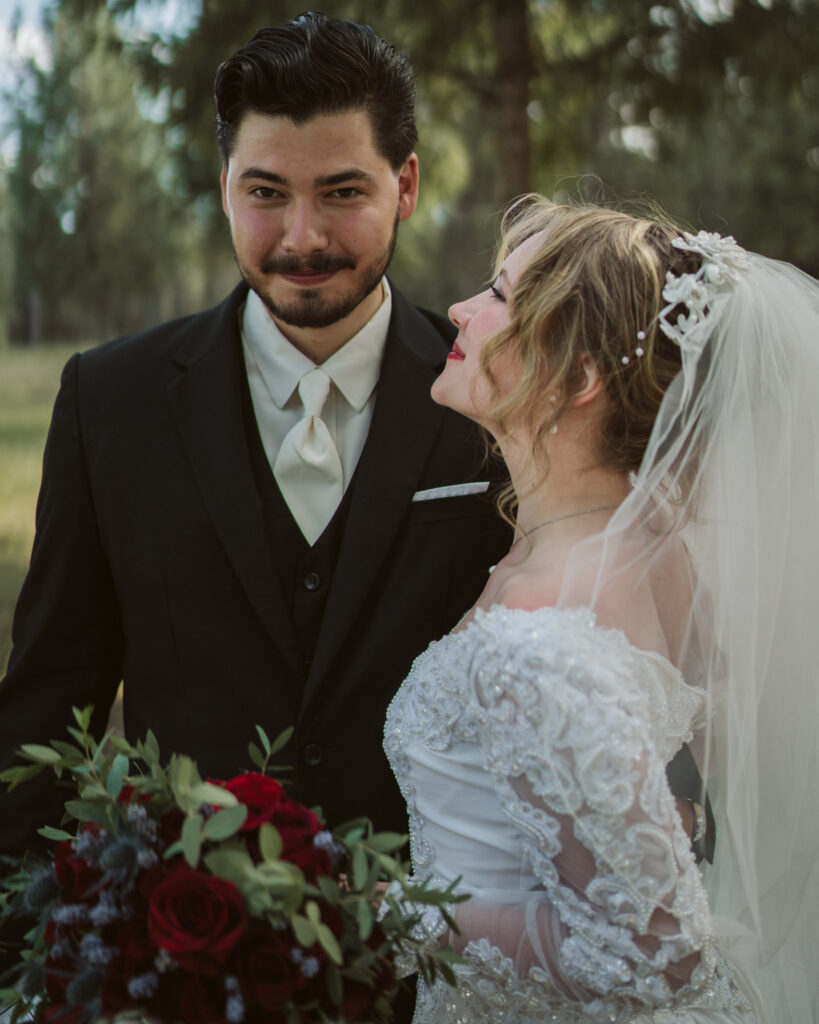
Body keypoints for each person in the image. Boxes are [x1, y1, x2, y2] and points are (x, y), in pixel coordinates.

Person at [384, 197, 819, 1022]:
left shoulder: (544, 633)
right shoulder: (661, 554)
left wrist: (402, 913)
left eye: (502, 296)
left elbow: (651, 955)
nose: (460, 309)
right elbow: (693, 798)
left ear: (578, 380)